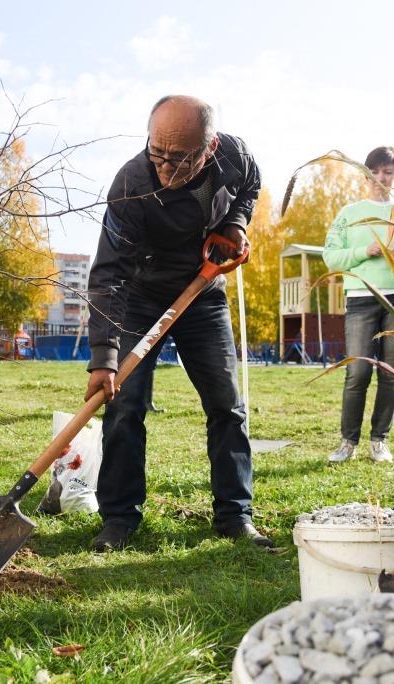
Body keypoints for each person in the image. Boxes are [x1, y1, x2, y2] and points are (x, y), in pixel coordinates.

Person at [85, 94, 269, 551]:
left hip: (204, 294)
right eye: (157, 153)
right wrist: (105, 358)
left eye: (180, 158)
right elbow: (109, 276)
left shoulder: (235, 156)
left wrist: (237, 224)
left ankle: (235, 515)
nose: (165, 168)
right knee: (124, 405)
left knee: (227, 405)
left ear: (210, 148)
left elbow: (250, 185)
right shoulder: (131, 184)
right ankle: (119, 518)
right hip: (141, 297)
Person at [322, 146, 394, 463]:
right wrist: (365, 251)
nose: (381, 178)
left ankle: (379, 440)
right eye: (376, 171)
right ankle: (347, 442)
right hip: (361, 299)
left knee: (391, 373)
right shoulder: (349, 214)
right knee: (357, 372)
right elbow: (331, 256)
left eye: (388, 172)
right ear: (366, 174)